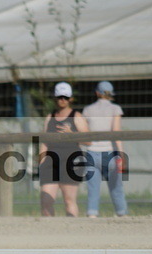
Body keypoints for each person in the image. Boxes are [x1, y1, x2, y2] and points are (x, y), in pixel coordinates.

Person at [38, 82, 89, 217]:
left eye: (65, 97)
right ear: (55, 98)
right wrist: (41, 161)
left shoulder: (76, 116)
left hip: (71, 162)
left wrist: (72, 133)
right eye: (60, 97)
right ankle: (50, 232)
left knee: (69, 200)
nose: (62, 100)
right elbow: (45, 142)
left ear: (71, 99)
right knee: (46, 201)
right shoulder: (50, 117)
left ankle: (72, 233)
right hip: (51, 163)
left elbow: (88, 140)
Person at [82, 81, 128, 217]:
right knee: (116, 188)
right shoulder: (115, 109)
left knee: (93, 189)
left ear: (97, 93)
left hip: (91, 152)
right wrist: (121, 154)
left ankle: (92, 214)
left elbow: (85, 134)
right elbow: (116, 132)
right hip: (110, 153)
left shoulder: (87, 110)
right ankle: (122, 214)